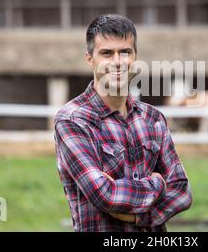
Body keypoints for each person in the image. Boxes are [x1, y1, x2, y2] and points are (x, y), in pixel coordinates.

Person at [54, 14, 192, 232]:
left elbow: (182, 192)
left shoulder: (153, 119)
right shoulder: (73, 120)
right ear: (90, 58)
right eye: (107, 53)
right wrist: (157, 184)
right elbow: (104, 195)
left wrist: (137, 218)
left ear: (135, 56)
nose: (117, 62)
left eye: (125, 52)